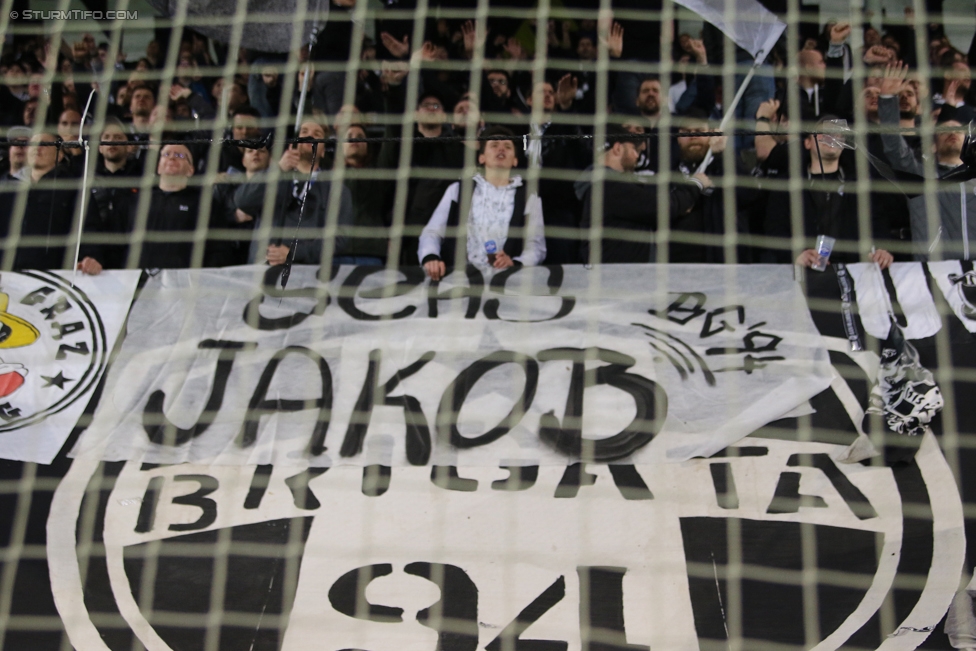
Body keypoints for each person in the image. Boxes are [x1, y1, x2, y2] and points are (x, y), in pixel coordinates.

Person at [761, 116, 894, 269]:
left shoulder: (861, 185)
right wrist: (796, 255)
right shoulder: (786, 185)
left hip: (855, 272)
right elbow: (775, 229)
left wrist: (882, 250)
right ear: (807, 143)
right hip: (805, 272)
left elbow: (878, 224)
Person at [419, 126, 545, 279]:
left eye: (507, 146)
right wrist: (430, 257)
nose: (501, 150)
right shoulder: (458, 190)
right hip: (459, 281)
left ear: (515, 160)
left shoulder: (529, 198)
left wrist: (515, 263)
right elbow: (433, 231)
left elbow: (536, 245)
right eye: (494, 145)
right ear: (481, 158)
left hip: (505, 283)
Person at [879, 63, 976, 261]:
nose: (951, 133)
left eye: (959, 131)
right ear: (933, 144)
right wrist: (888, 99)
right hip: (932, 274)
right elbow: (894, 147)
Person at [576, 124, 708, 264]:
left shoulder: (604, 186)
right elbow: (666, 208)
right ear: (617, 148)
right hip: (619, 280)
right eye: (633, 149)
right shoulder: (608, 185)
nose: (636, 156)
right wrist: (696, 184)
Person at [236, 118, 354, 266]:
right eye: (304, 132)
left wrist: (295, 252)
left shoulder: (336, 189)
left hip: (308, 274)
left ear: (323, 151)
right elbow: (243, 201)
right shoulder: (273, 176)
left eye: (317, 134)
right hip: (263, 268)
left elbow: (339, 237)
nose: (310, 136)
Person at [0, 133, 83, 271]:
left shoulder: (72, 188)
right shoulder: (6, 188)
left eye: (44, 144)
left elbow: (87, 227)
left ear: (59, 155)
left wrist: (90, 255)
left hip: (54, 276)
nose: (37, 148)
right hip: (8, 278)